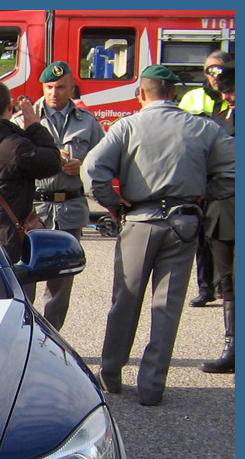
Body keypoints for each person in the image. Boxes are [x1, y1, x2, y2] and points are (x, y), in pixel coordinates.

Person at [82, 64, 235, 406]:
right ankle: (152, 387)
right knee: (167, 307)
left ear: (141, 94)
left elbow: (92, 169)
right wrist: (206, 192)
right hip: (183, 221)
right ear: (175, 94)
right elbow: (233, 168)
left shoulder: (128, 126)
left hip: (140, 218)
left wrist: (113, 203)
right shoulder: (202, 127)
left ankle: (111, 375)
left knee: (126, 300)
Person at [26, 61, 105, 330]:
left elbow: (102, 161)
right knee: (24, 279)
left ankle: (51, 338)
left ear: (71, 87)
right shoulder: (25, 118)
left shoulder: (88, 122)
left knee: (60, 285)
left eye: (60, 87)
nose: (54, 93)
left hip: (69, 208)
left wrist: (82, 165)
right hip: (33, 209)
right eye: (49, 87)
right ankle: (23, 334)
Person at [0, 81, 62, 265]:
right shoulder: (17, 145)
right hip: (10, 241)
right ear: (10, 106)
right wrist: (34, 127)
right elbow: (53, 163)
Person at [180, 50, 232, 307]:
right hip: (201, 177)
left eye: (218, 70)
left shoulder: (231, 99)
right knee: (202, 238)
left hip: (223, 180)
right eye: (210, 70)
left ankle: (226, 287)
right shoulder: (192, 98)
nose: (214, 76)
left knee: (222, 236)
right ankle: (205, 288)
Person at [200, 60, 235, 373]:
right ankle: (233, 348)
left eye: (233, 92)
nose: (227, 98)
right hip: (224, 211)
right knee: (229, 282)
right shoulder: (220, 118)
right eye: (225, 93)